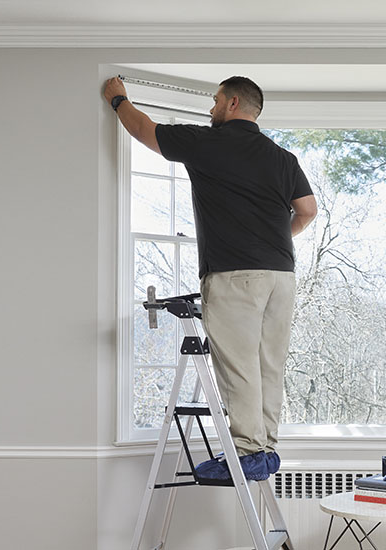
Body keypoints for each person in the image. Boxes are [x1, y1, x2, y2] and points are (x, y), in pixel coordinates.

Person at [104, 76, 317, 481]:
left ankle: (247, 451)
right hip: (281, 277)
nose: (211, 108)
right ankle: (266, 449)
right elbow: (307, 211)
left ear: (233, 103)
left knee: (239, 366)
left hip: (235, 275)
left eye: (215, 100)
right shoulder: (283, 158)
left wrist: (118, 100)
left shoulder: (207, 142)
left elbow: (142, 129)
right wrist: (271, 240)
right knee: (269, 365)